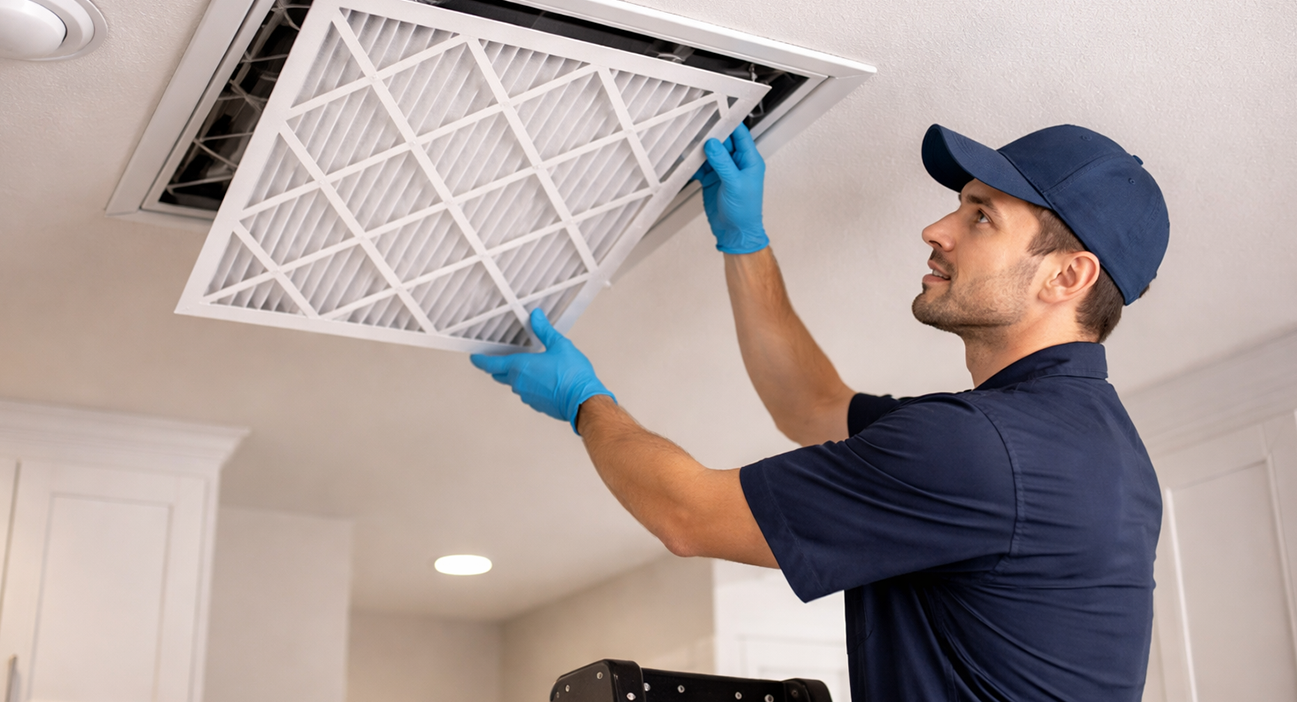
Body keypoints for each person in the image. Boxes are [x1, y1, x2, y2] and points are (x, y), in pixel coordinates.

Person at [471, 122, 1169, 701]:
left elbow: (685, 516)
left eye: (979, 215)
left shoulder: (984, 449)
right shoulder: (1086, 446)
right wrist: (745, 243)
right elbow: (812, 404)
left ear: (1066, 274)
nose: (936, 227)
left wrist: (584, 403)